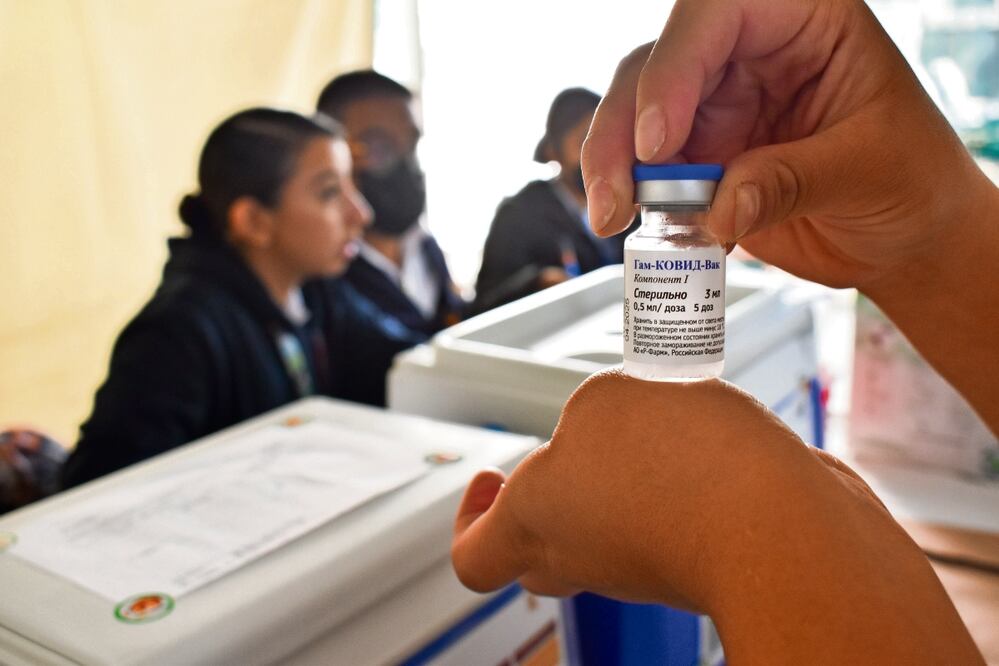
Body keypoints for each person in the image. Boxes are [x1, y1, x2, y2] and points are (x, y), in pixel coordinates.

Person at [451, 0, 998, 663]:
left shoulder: (686, 240)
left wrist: (734, 516)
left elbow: (725, 508)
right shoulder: (620, 235)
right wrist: (939, 233)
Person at [62, 108, 424, 489]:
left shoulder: (317, 295)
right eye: (330, 193)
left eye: (353, 184)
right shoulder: (178, 333)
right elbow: (100, 488)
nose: (361, 213)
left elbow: (406, 363)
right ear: (253, 221)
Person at [316, 70, 465, 335]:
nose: (405, 164)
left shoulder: (424, 246)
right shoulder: (324, 272)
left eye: (412, 145)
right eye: (378, 148)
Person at [472, 87, 632, 314]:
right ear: (552, 151)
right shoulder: (519, 215)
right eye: (583, 142)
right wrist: (537, 282)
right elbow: (484, 304)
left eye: (608, 143)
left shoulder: (630, 211)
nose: (598, 157)